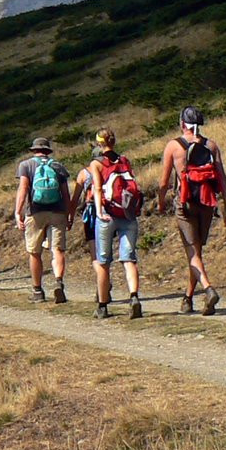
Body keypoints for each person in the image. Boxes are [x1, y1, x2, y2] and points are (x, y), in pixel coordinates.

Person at [158, 106, 226, 314]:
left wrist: (160, 202)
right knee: (197, 252)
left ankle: (208, 289)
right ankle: (188, 298)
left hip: (185, 204)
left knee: (192, 252)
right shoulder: (211, 146)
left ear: (182, 124)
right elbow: (222, 179)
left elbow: (164, 182)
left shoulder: (174, 146)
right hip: (207, 203)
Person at [88, 128, 144, 320]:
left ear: (99, 143)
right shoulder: (124, 160)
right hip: (127, 214)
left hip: (107, 215)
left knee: (103, 262)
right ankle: (134, 297)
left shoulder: (96, 164)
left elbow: (96, 188)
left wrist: (99, 211)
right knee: (129, 259)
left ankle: (102, 306)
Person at [13, 137, 72, 303]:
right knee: (58, 249)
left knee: (35, 252)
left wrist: (18, 212)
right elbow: (65, 193)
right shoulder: (58, 166)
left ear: (34, 150)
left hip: (35, 212)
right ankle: (59, 282)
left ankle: (37, 290)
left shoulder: (26, 165)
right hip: (57, 212)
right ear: (48, 150)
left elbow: (23, 189)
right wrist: (69, 214)